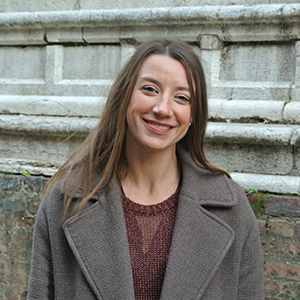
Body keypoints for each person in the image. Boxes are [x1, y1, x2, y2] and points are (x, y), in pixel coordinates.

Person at [28, 38, 265, 299]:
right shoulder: (65, 202)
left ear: (194, 113)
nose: (163, 108)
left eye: (182, 97)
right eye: (150, 89)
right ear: (126, 94)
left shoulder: (231, 210)